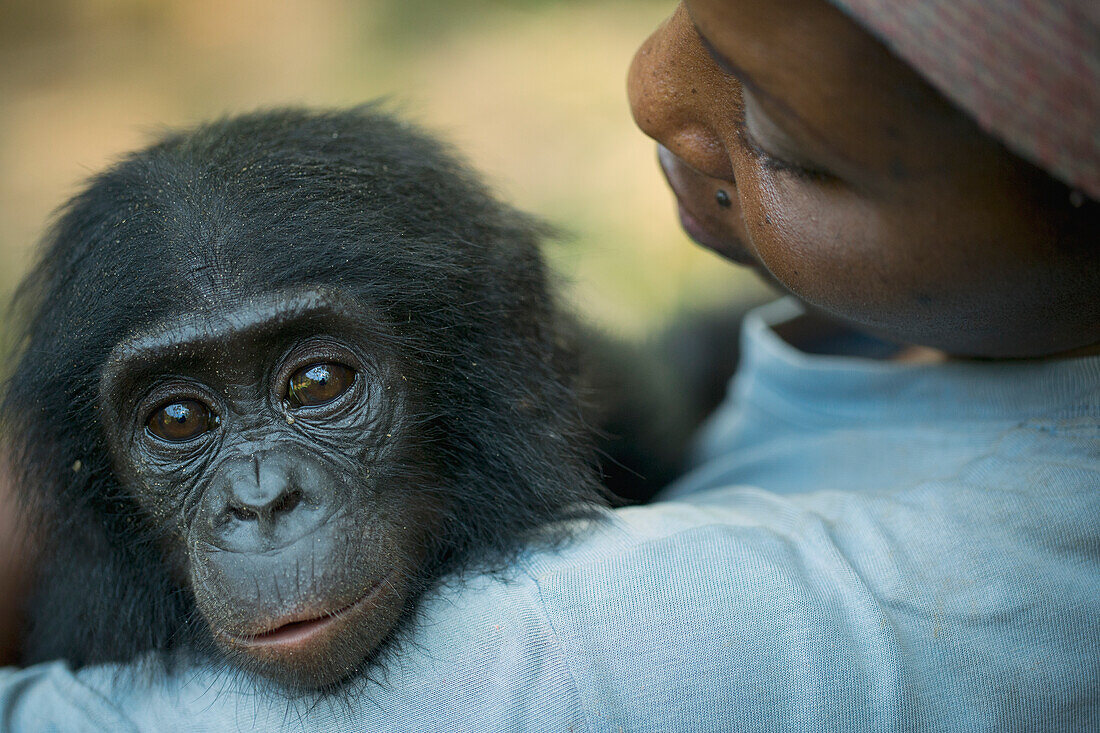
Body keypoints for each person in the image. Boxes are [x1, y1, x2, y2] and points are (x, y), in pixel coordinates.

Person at [1, 0, 1097, 729]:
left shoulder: (594, 650)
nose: (259, 495)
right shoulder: (867, 337)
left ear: (524, 356)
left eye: (321, 387)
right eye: (181, 422)